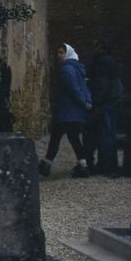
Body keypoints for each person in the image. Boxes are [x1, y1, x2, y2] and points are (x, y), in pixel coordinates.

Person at [38, 43, 92, 178]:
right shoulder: (78, 68)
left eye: (61, 53)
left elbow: (74, 89)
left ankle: (46, 165)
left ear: (67, 54)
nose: (59, 55)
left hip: (66, 111)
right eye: (58, 53)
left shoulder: (67, 69)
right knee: (73, 138)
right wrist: (86, 102)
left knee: (57, 138)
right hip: (73, 112)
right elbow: (83, 87)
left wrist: (84, 103)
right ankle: (83, 166)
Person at [84, 39, 123, 175]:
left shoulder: (102, 62)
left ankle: (106, 165)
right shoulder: (109, 61)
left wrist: (96, 103)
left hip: (104, 103)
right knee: (108, 133)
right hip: (110, 101)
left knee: (105, 134)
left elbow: (102, 85)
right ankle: (108, 164)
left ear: (100, 47)